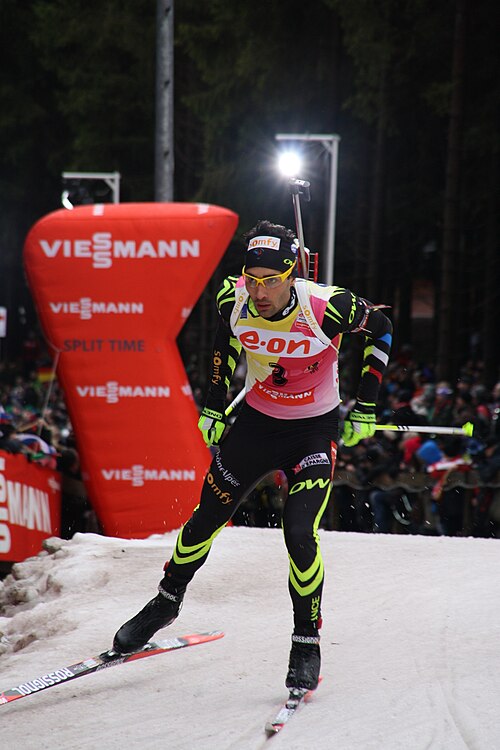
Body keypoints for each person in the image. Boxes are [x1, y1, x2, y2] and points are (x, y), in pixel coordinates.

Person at [113, 220, 393, 691]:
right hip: (259, 425)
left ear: (292, 274)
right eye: (253, 278)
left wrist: (366, 403)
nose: (260, 292)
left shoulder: (326, 305)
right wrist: (214, 406)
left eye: (271, 280)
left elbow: (381, 328)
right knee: (206, 517)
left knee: (300, 533)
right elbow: (223, 343)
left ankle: (306, 641)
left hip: (312, 430)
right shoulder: (234, 298)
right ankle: (165, 601)